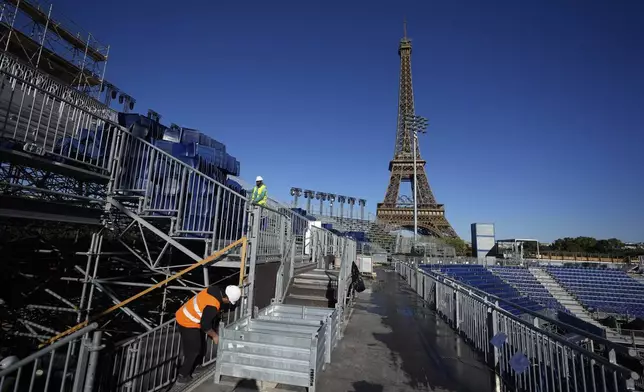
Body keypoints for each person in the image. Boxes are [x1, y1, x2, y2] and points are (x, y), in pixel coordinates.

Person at [175, 285, 242, 384]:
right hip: (187, 322)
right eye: (229, 301)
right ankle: (182, 375)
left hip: (185, 315)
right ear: (226, 297)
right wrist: (214, 336)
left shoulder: (214, 289)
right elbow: (205, 325)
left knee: (199, 346)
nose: (228, 303)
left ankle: (194, 367)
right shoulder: (213, 305)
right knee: (193, 350)